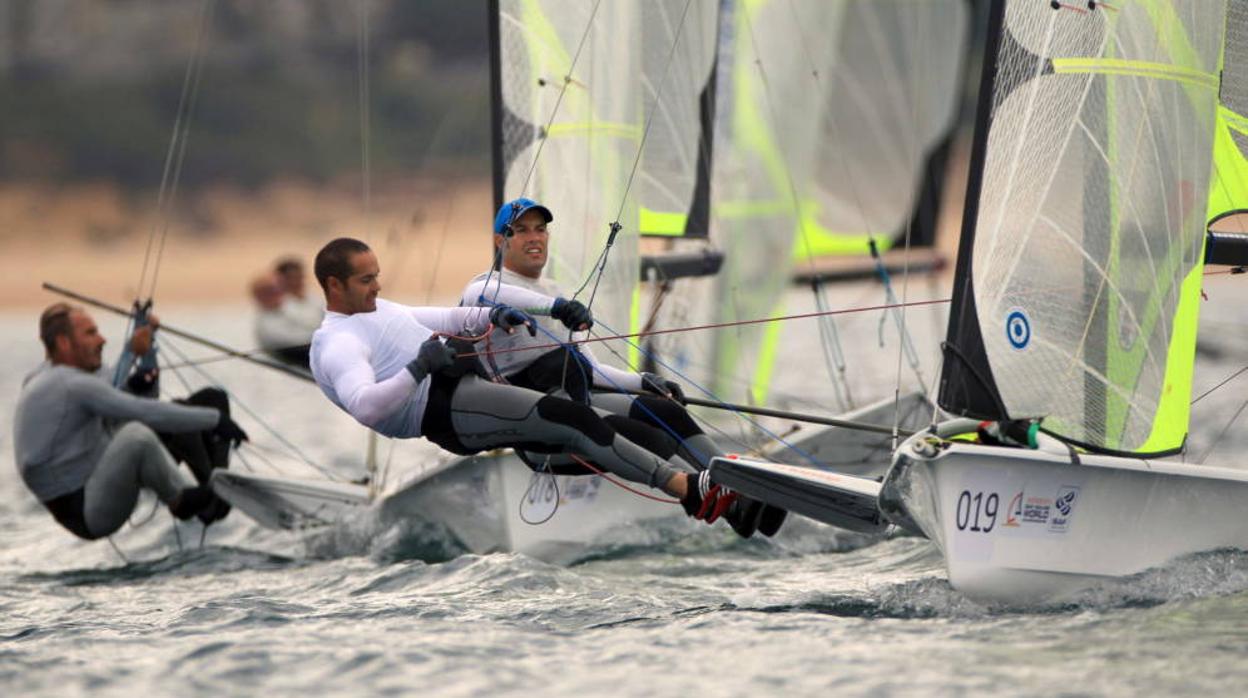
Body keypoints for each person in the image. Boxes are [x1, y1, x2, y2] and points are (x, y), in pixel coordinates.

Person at [308, 237, 762, 536]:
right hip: (443, 411)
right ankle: (689, 489)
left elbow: (446, 318)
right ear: (334, 285)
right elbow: (367, 408)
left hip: (465, 390)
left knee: (648, 416)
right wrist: (419, 367)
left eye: (376, 276)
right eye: (366, 279)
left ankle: (736, 497)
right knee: (572, 419)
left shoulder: (377, 310)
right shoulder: (339, 343)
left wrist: (492, 318)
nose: (377, 285)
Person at [461, 198, 787, 536]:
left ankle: (739, 490)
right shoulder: (483, 289)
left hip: (578, 408)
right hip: (541, 432)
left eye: (540, 230)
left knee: (665, 413)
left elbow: (590, 368)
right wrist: (557, 307)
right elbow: (500, 300)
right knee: (647, 435)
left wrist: (642, 380)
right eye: (521, 231)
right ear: (501, 241)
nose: (534, 238)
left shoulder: (554, 290)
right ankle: (720, 499)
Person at [13, 304, 247, 541]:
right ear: (63, 343)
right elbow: (142, 409)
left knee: (210, 399)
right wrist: (216, 420)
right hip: (86, 509)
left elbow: (144, 398)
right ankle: (183, 500)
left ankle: (216, 486)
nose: (102, 339)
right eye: (90, 333)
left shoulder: (63, 376)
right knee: (138, 434)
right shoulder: (69, 384)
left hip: (103, 470)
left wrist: (147, 353)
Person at [251, 257, 323, 368]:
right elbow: (285, 340)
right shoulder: (266, 320)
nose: (296, 282)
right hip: (295, 352)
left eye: (299, 278)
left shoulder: (313, 300)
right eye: (268, 292)